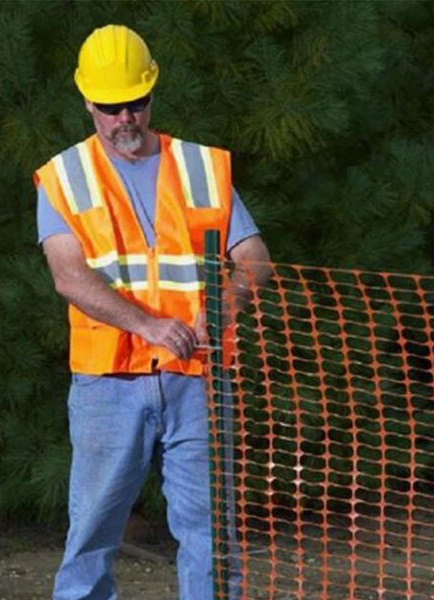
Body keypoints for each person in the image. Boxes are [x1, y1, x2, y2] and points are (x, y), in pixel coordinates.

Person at [34, 24, 270, 600]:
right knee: (91, 533)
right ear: (88, 100)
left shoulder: (200, 167)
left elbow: (256, 261)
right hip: (108, 381)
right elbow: (68, 275)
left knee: (211, 536)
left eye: (134, 103)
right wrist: (147, 324)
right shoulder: (64, 177)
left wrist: (220, 309)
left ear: (152, 94)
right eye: (111, 107)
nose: (124, 119)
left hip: (198, 378)